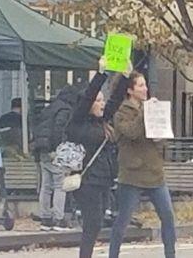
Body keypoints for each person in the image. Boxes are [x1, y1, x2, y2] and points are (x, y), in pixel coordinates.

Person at [109, 71, 176, 258]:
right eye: (140, 85)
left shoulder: (148, 107)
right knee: (123, 219)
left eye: (145, 84)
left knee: (167, 216)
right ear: (130, 90)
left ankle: (170, 254)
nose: (145, 89)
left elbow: (158, 136)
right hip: (132, 174)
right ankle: (113, 254)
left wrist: (161, 133)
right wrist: (145, 113)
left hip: (154, 172)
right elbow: (132, 132)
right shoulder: (121, 112)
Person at [67, 57, 129, 258]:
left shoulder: (101, 122)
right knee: (92, 223)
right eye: (98, 101)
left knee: (96, 222)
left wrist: (125, 78)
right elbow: (87, 98)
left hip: (102, 179)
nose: (102, 104)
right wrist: (101, 74)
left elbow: (115, 102)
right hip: (87, 180)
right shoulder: (78, 122)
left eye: (102, 100)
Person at [33, 85, 82, 231]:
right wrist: (57, 149)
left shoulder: (49, 108)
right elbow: (59, 130)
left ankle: (45, 218)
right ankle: (58, 219)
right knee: (60, 185)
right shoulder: (65, 110)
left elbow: (39, 128)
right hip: (55, 151)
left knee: (46, 186)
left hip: (42, 150)